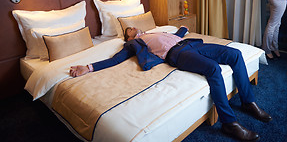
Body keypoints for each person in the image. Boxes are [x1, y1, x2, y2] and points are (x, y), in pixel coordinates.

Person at [70, 26, 272, 141]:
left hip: (189, 44)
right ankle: (229, 123)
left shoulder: (158, 32)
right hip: (177, 54)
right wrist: (88, 67)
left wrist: (182, 28)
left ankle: (248, 101)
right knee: (213, 69)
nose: (135, 28)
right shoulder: (134, 43)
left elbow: (180, 32)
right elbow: (116, 59)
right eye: (130, 29)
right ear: (129, 36)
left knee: (235, 54)